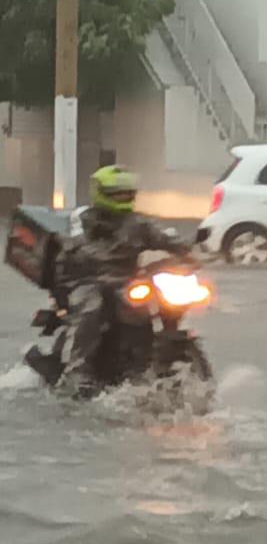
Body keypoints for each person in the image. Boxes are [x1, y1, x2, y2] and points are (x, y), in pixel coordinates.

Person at [56, 166, 192, 393]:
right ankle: (77, 371)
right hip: (88, 279)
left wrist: (190, 251)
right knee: (92, 306)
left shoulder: (138, 223)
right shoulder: (84, 220)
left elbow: (164, 237)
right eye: (116, 193)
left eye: (126, 192)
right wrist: (82, 253)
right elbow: (72, 244)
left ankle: (158, 356)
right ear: (101, 193)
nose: (122, 197)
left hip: (125, 280)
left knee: (161, 300)